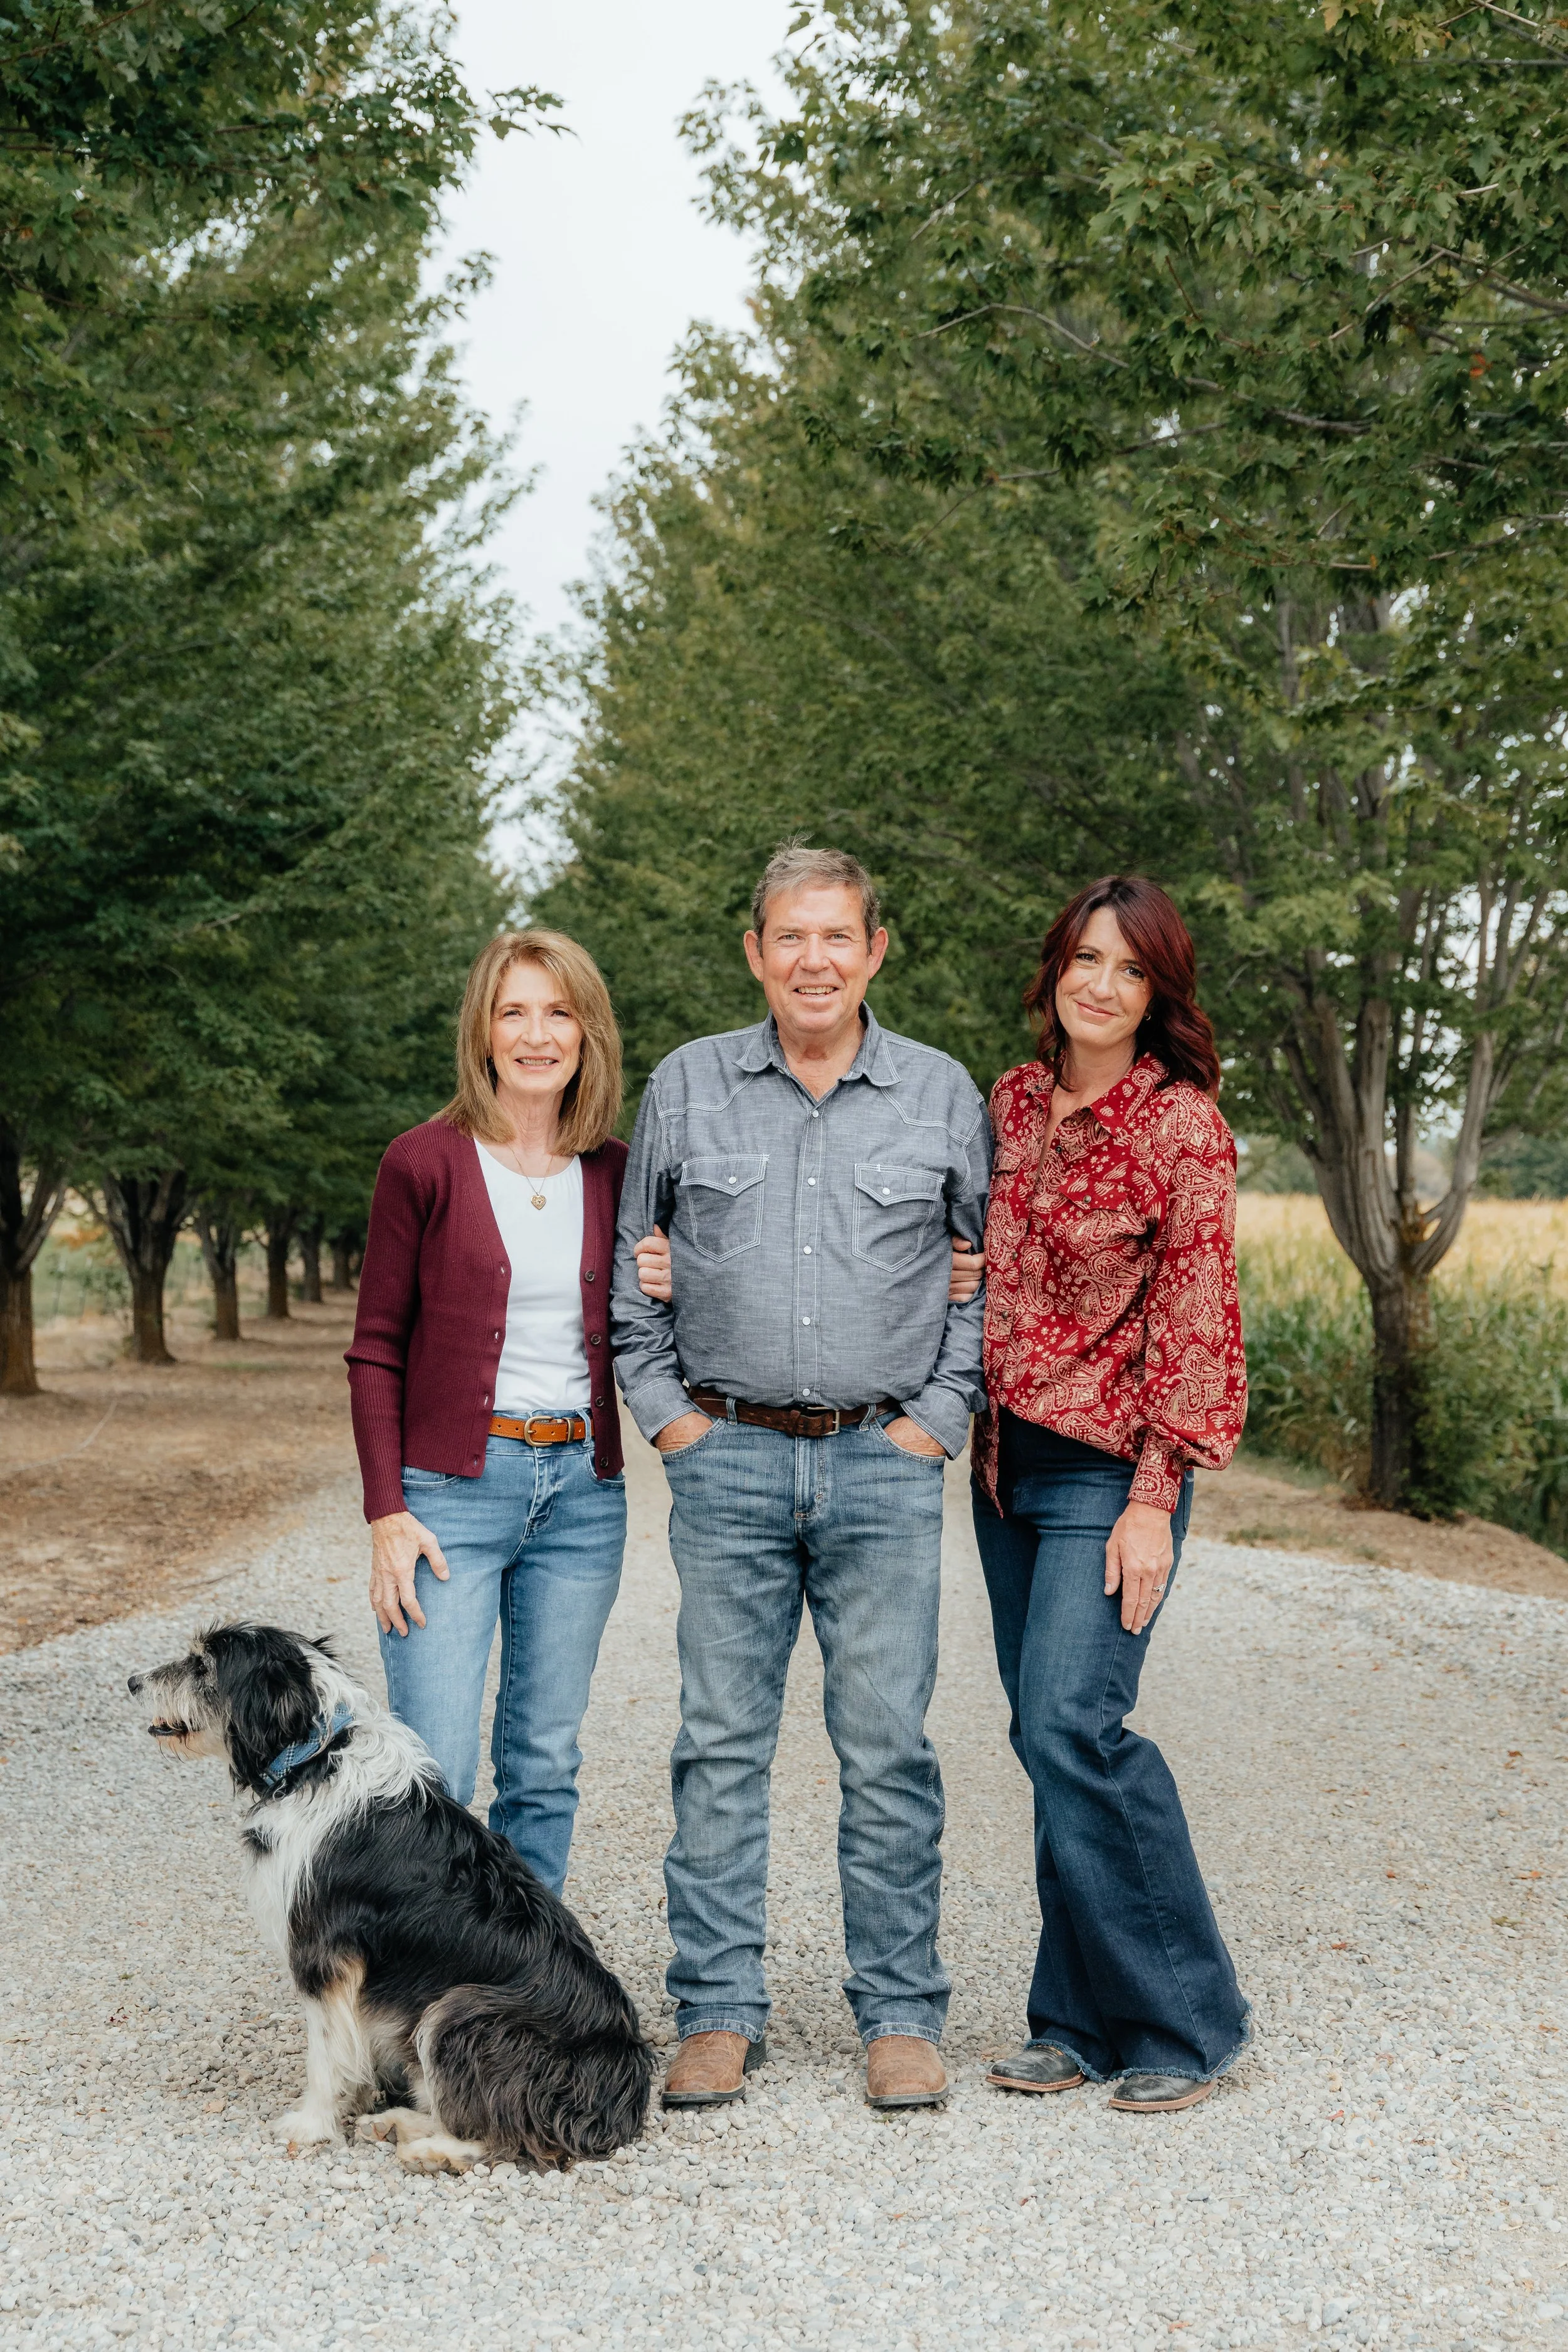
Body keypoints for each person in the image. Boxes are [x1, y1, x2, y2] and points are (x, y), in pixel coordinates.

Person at [611, 842, 991, 2112]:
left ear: (875, 950)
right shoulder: (687, 1087)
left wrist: (937, 1420)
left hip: (885, 1467)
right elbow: (632, 1274)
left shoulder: (939, 1094)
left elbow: (981, 1279)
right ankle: (716, 2010)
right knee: (718, 1743)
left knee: (885, 1746)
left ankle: (896, 2012)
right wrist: (671, 1423)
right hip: (726, 1458)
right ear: (754, 951)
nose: (814, 960)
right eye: (790, 938)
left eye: (838, 937)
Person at [972, 874, 1250, 2113]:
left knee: (1070, 1727)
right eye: (1083, 959)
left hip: (1107, 1476)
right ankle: (1072, 2017)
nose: (1098, 984)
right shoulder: (1012, 1103)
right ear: (1053, 972)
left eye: (1126, 969)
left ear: (1157, 992)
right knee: (1046, 1743)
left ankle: (1188, 2019)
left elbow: (1196, 1321)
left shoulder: (1181, 1128)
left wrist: (1153, 1497)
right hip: (1001, 1472)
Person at [345, 930, 630, 1897]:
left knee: (544, 1766)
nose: (537, 1033)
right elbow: (376, 1345)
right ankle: (415, 1996)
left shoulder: (615, 1169)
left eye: (559, 1012)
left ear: (588, 1032)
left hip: (583, 1495)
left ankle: (525, 2001)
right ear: (483, 1027)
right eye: (515, 1010)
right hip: (448, 1499)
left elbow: (669, 1308)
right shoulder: (421, 1162)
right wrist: (387, 1511)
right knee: (431, 1773)